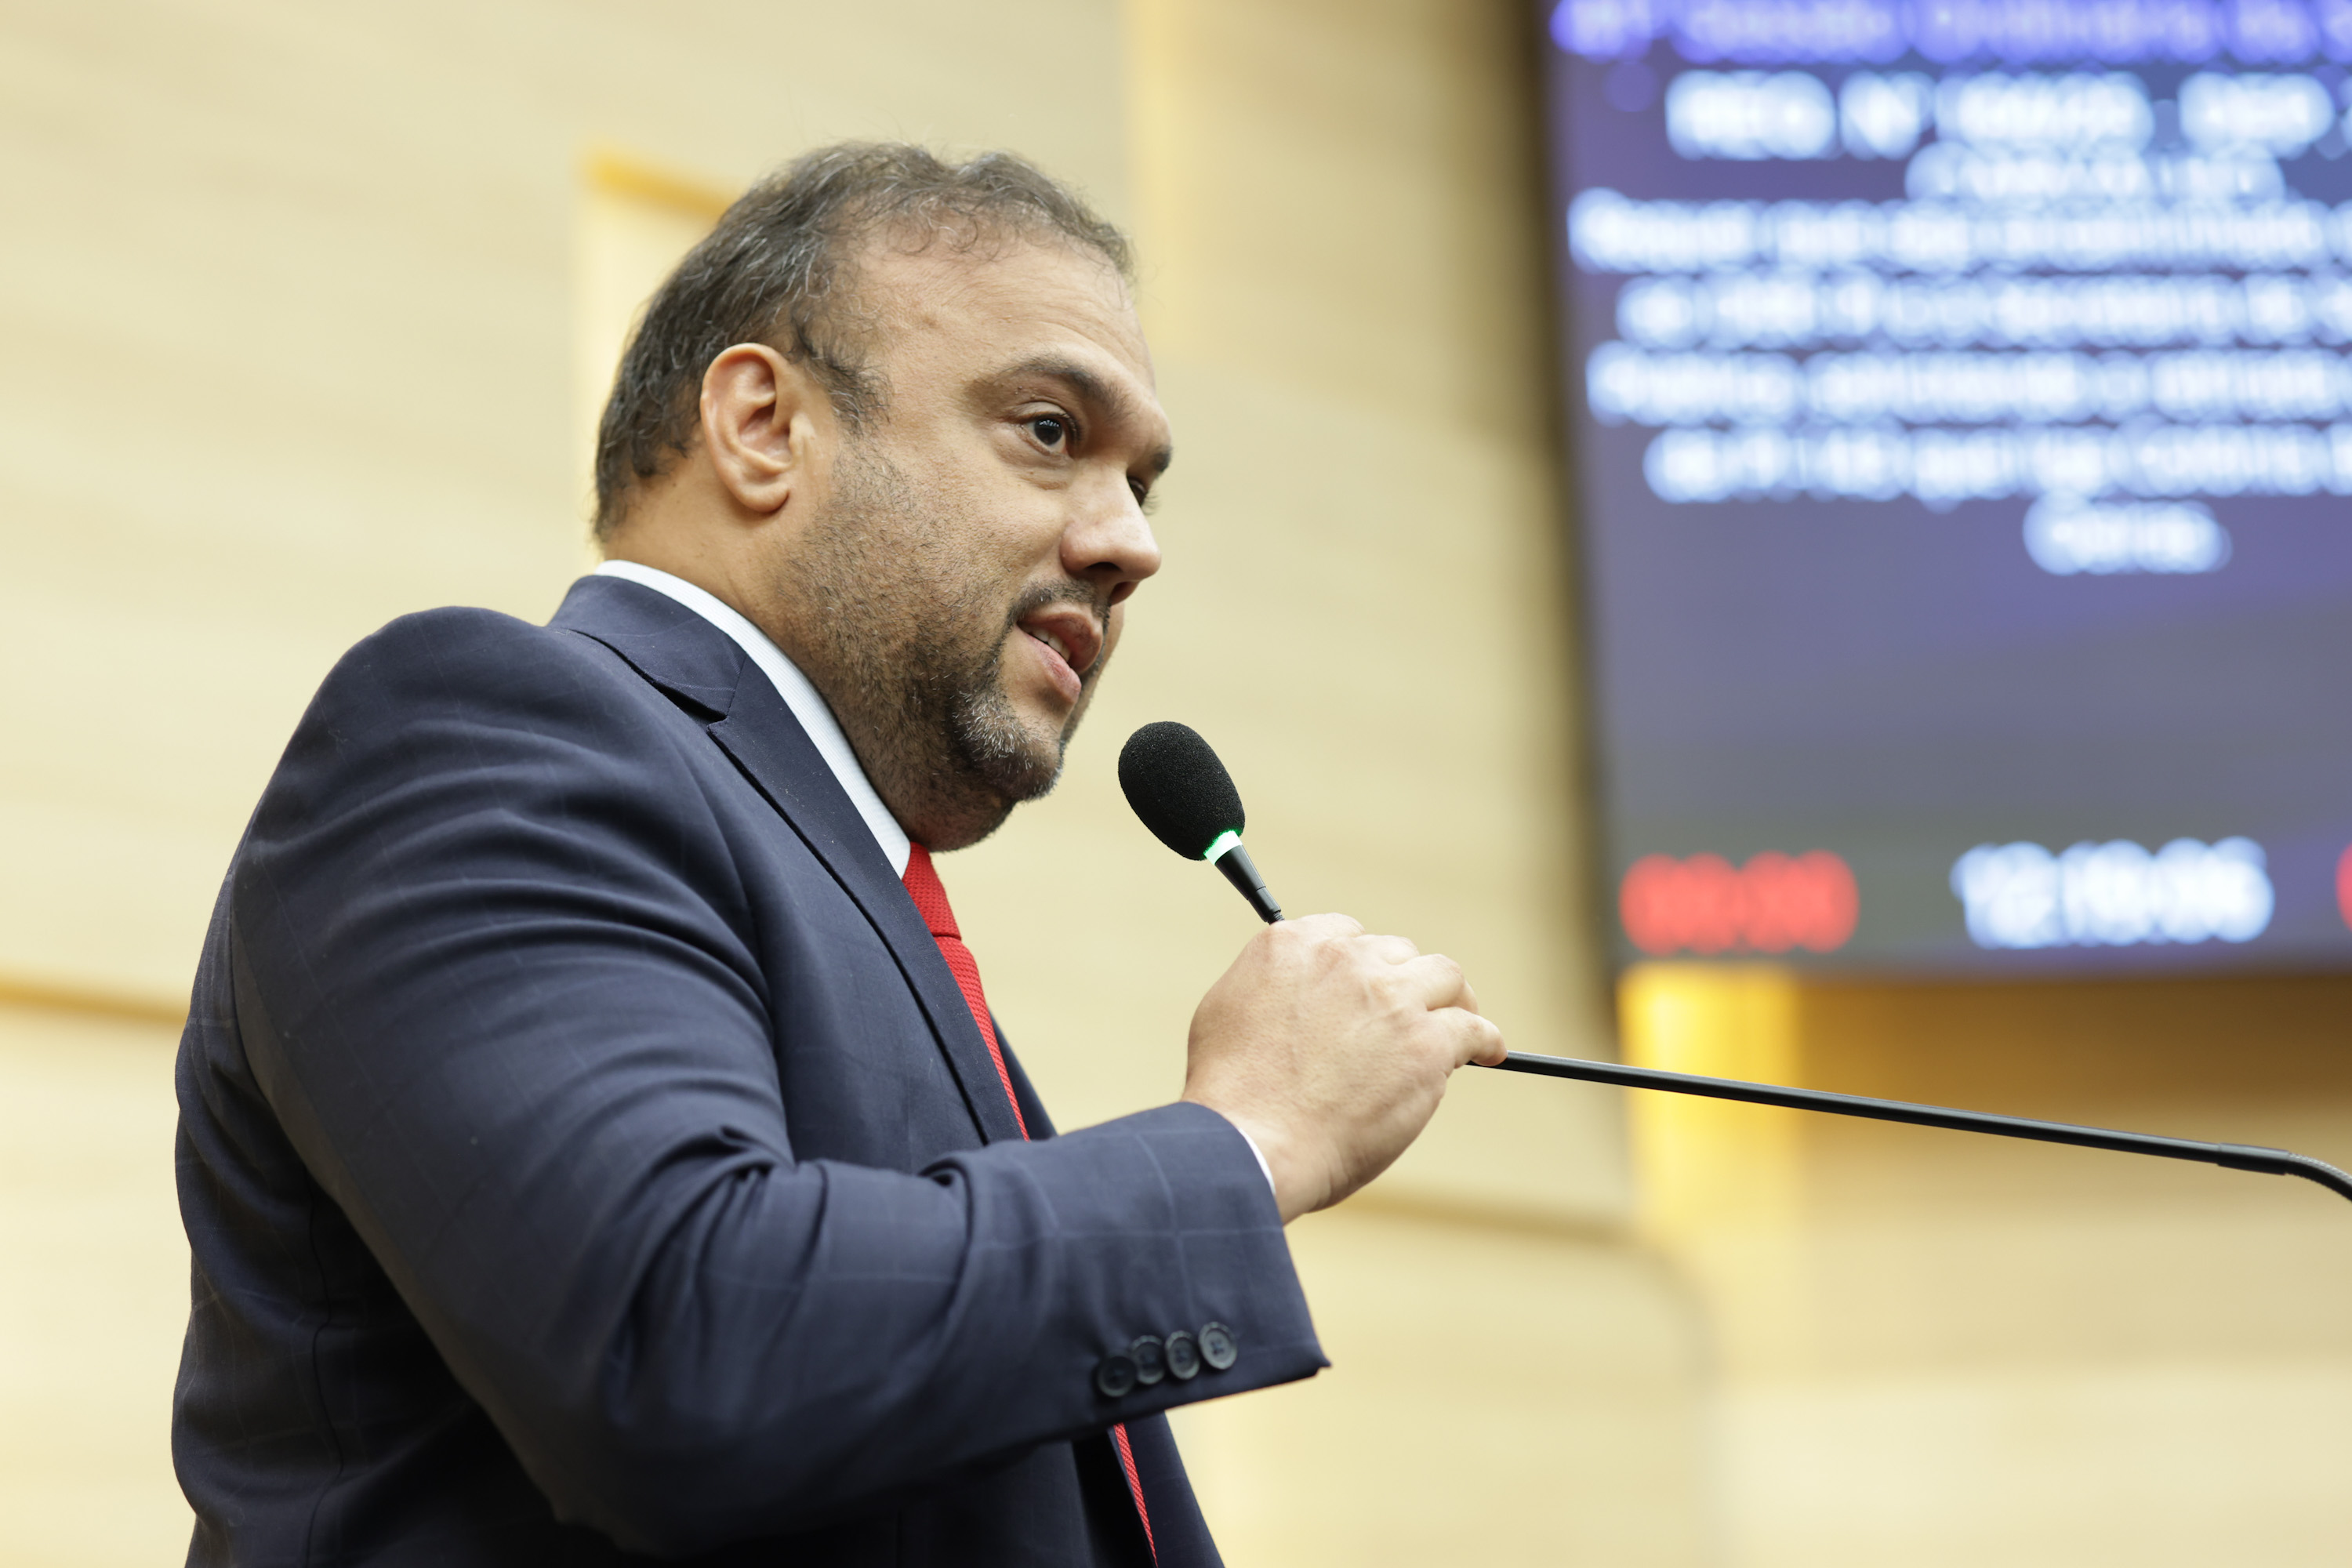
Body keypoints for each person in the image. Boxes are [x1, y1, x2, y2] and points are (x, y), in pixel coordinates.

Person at [172, 142, 1504, 1567]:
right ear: (763, 427)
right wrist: (1248, 1142)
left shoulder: (853, 881)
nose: (1131, 545)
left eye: (1143, 485)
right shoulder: (484, 730)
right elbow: (678, 1350)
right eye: (1050, 430)